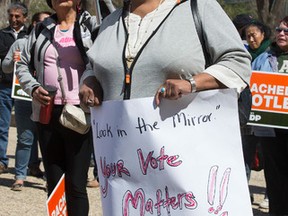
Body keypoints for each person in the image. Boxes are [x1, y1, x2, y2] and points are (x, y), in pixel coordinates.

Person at [79, 0, 252, 199]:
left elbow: (238, 63)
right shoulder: (111, 21)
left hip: (185, 166)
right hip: (124, 168)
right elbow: (94, 65)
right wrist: (89, 79)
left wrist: (192, 83)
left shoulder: (198, 7)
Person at [15, 0, 99, 214]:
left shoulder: (91, 25)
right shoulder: (41, 29)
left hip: (81, 114)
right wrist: (33, 87)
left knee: (76, 184)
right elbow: (22, 63)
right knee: (54, 182)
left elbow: (103, 61)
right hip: (47, 112)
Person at [2, 11, 52, 191]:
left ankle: (50, 179)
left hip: (48, 98)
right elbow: (6, 68)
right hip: (24, 98)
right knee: (25, 138)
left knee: (48, 139)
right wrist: (13, 61)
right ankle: (20, 177)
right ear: (34, 24)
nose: (48, 25)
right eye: (43, 22)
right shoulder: (21, 43)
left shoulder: (55, 44)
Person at [251, 16, 288, 216]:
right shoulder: (264, 58)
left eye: (286, 31)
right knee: (275, 178)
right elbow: (250, 84)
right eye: (279, 29)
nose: (281, 33)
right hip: (271, 129)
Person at [244, 20, 272, 209]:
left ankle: (270, 195)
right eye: (248, 35)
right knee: (245, 157)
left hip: (269, 118)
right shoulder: (243, 53)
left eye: (254, 34)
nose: (251, 38)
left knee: (271, 158)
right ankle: (243, 194)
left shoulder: (271, 54)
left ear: (263, 34)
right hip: (248, 116)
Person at [0, 2, 28, 174]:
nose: (14, 19)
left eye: (17, 16)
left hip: (24, 87)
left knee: (26, 129)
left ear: (25, 17)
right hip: (4, 86)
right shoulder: (2, 35)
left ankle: (27, 165)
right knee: (2, 126)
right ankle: (2, 161)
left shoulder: (31, 34)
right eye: (11, 16)